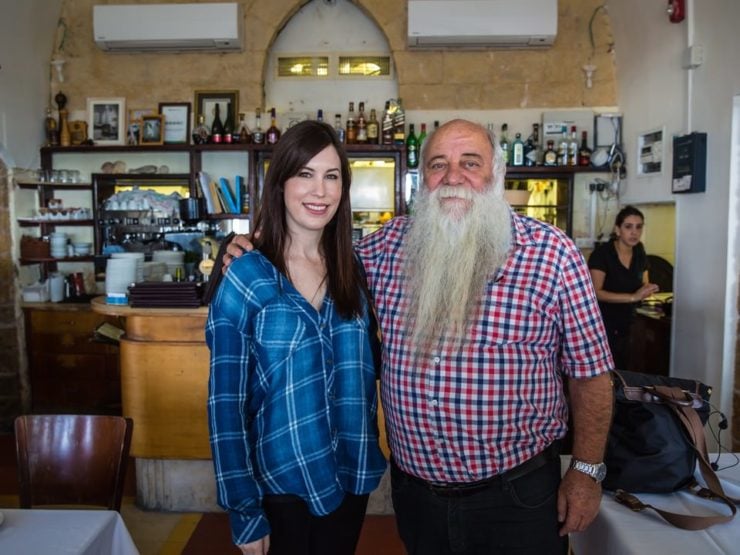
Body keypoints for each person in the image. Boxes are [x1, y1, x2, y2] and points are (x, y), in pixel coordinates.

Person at [225, 119, 614, 554]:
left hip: (517, 496)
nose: (452, 177)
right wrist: (245, 247)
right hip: (417, 499)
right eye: (437, 164)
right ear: (421, 178)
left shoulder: (552, 254)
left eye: (470, 163)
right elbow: (310, 251)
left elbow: (592, 374)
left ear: (497, 174)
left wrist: (586, 471)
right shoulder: (382, 250)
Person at [206, 120, 386, 555]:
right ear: (281, 182)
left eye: (331, 176)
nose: (319, 191)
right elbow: (224, 405)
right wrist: (244, 510)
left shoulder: (354, 271)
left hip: (352, 473)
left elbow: (369, 367)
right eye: (305, 174)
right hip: (281, 481)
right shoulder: (247, 275)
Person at [588, 205, 659, 370]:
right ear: (618, 229)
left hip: (630, 322)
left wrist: (649, 290)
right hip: (603, 324)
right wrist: (633, 297)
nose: (634, 232)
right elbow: (596, 293)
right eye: (628, 227)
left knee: (628, 369)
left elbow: (644, 282)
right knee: (607, 372)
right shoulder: (602, 254)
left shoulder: (639, 250)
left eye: (638, 227)